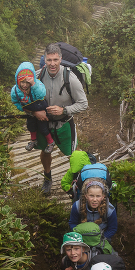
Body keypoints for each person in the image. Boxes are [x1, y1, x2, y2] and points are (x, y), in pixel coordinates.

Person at [33, 43, 88, 194]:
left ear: (60, 59)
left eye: (55, 60)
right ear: (44, 59)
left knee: (74, 153)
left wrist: (64, 110)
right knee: (45, 152)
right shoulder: (37, 76)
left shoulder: (69, 77)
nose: (52, 64)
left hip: (64, 123)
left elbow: (83, 103)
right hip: (43, 124)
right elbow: (21, 98)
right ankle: (48, 178)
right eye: (49, 60)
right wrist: (35, 113)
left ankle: (78, 179)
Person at [10, 62, 57, 153]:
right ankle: (33, 140)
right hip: (30, 111)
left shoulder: (37, 85)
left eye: (27, 82)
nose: (25, 85)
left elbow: (42, 94)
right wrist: (23, 109)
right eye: (22, 82)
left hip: (41, 109)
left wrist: (33, 84)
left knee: (43, 127)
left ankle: (51, 142)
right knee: (30, 126)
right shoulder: (15, 91)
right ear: (17, 81)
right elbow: (15, 102)